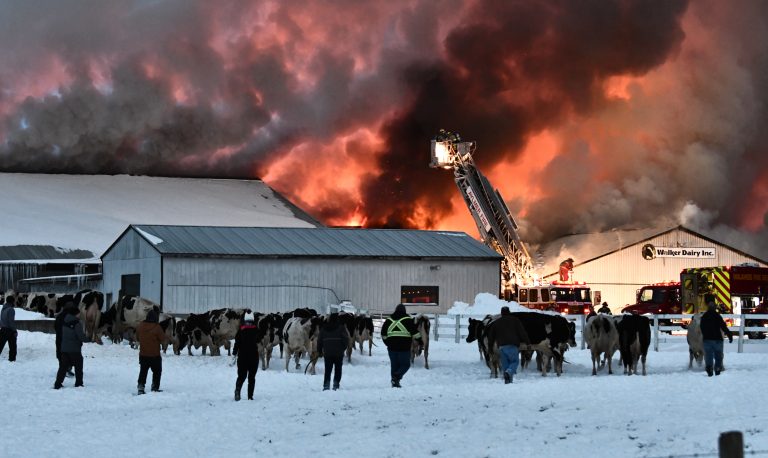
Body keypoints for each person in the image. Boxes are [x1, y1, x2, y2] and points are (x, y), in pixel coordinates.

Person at [380, 304, 420, 388]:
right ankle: (396, 378)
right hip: (404, 348)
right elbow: (415, 333)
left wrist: (387, 343)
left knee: (394, 365)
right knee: (405, 365)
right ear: (404, 311)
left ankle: (394, 382)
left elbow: (383, 334)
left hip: (391, 348)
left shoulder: (388, 320)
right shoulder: (408, 320)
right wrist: (421, 342)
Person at [490, 306, 530, 384]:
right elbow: (522, 332)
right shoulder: (515, 320)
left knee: (506, 365)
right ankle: (509, 373)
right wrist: (527, 342)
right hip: (512, 346)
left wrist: (490, 347)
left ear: (501, 313)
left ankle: (508, 381)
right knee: (514, 362)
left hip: (501, 347)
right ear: (509, 312)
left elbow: (491, 336)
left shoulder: (496, 322)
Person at [53, 307, 89, 388]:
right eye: (79, 313)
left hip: (64, 348)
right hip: (74, 349)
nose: (80, 314)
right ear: (75, 313)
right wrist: (89, 339)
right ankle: (79, 383)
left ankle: (57, 384)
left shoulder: (64, 321)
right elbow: (81, 337)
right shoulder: (76, 323)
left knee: (63, 367)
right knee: (78, 366)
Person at [136, 309, 169, 394]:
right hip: (155, 355)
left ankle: (141, 387)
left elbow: (137, 337)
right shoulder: (157, 327)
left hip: (143, 354)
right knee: (157, 371)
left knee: (143, 371)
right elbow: (163, 339)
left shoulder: (140, 326)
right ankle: (155, 387)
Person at [232, 312, 262, 401]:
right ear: (253, 320)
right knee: (251, 378)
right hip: (253, 357)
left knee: (241, 376)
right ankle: (250, 396)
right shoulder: (256, 330)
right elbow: (259, 339)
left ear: (245, 320)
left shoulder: (240, 331)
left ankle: (237, 391)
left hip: (242, 357)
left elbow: (236, 344)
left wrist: (234, 354)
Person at [317, 312, 350, 391]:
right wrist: (343, 348)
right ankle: (336, 385)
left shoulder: (324, 328)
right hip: (338, 353)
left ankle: (326, 386)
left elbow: (319, 341)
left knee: (328, 370)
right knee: (338, 369)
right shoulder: (341, 328)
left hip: (327, 353)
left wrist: (320, 351)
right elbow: (346, 339)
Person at [700, 300, 733, 377]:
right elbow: (723, 326)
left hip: (707, 340)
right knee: (718, 355)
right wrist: (729, 335)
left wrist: (705, 335)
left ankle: (709, 368)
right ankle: (717, 367)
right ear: (715, 308)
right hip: (717, 339)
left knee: (708, 355)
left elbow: (702, 327)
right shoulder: (717, 316)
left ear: (708, 308)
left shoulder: (704, 316)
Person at [55, 302, 76, 377]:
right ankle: (67, 370)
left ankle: (64, 369)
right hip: (68, 340)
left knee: (60, 354)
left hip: (59, 339)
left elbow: (56, 327)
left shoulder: (59, 316)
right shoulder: (71, 317)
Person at [0, 295, 18, 362]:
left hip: (3, 329)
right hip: (9, 330)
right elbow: (11, 322)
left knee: (0, 345)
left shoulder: (3, 308)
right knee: (13, 346)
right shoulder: (11, 309)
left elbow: (1, 319)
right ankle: (12, 360)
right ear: (12, 301)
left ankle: (12, 360)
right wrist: (14, 331)